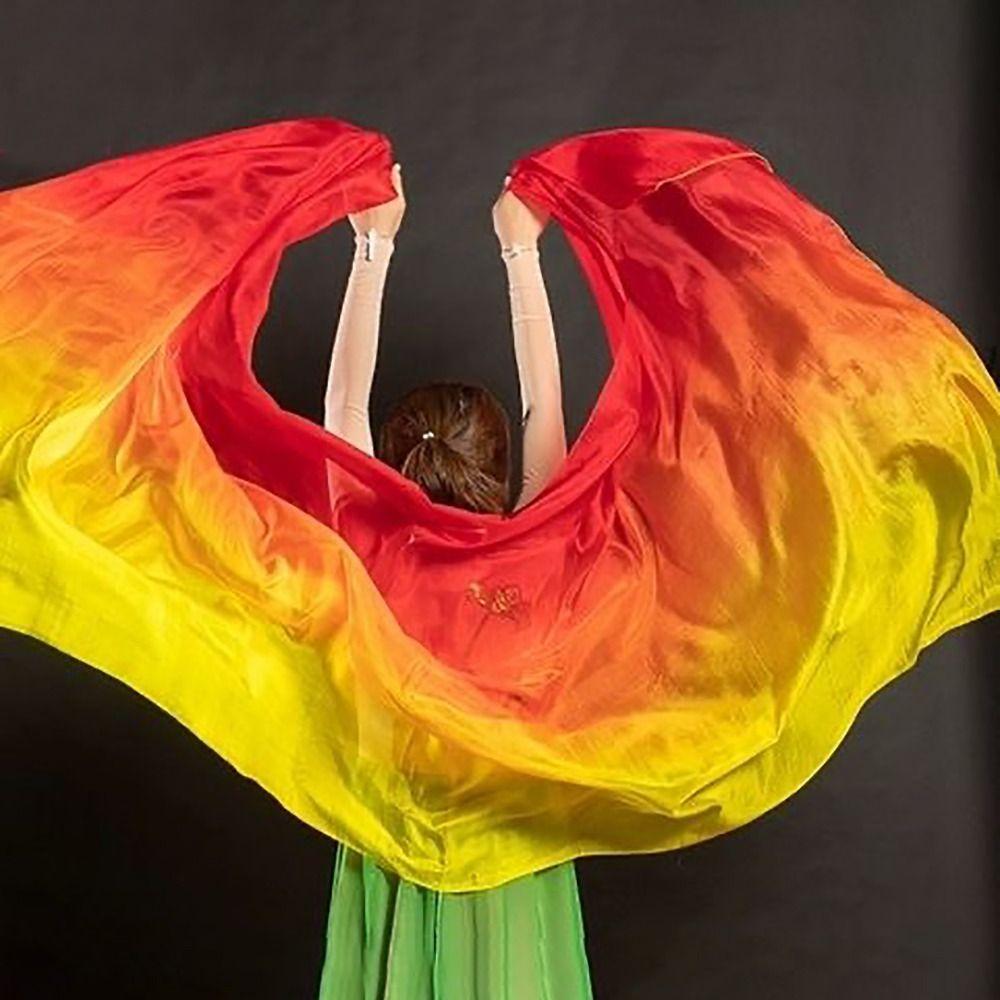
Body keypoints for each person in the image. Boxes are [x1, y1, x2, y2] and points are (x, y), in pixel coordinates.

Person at [317, 164, 592, 998]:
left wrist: (372, 246)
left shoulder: (368, 547)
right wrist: (521, 249)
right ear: (499, 466)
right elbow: (546, 408)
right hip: (510, 848)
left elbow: (340, 412)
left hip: (392, 839)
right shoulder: (535, 549)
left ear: (394, 460)